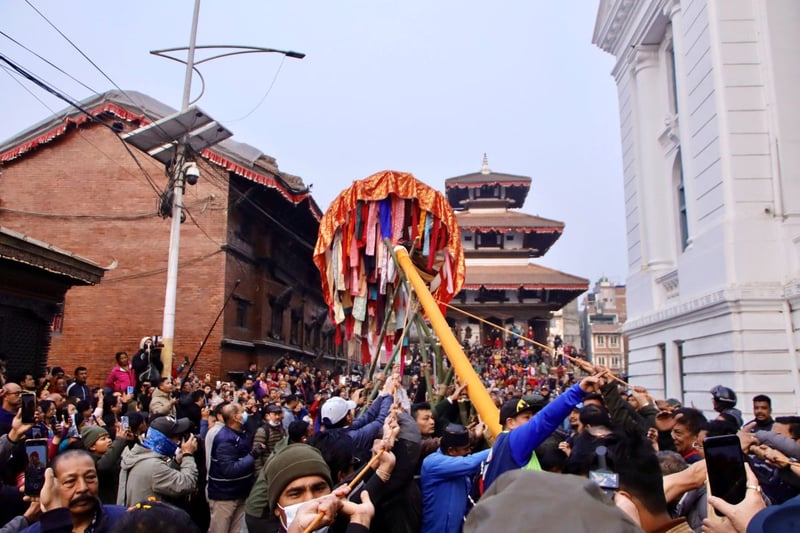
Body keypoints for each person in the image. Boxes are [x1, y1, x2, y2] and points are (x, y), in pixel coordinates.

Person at [482, 375, 601, 491]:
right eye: (527, 417)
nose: (531, 420)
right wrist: (577, 391)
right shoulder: (515, 441)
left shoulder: (501, 442)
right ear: (511, 423)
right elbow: (545, 420)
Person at [20, 449, 127, 533]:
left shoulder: (126, 520)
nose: (83, 488)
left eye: (90, 477)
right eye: (70, 481)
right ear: (53, 486)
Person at [420, 423, 490, 533]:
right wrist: (500, 446)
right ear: (451, 450)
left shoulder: (458, 464)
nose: (469, 452)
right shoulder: (432, 463)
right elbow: (470, 463)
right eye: (465, 449)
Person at [117, 416, 198, 506]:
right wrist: (188, 454)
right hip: (150, 518)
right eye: (177, 436)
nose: (179, 440)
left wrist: (176, 463)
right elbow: (187, 484)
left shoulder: (137, 455)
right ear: (164, 441)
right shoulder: (154, 466)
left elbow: (158, 476)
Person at [207, 403, 261, 533]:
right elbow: (229, 470)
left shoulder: (240, 433)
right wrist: (252, 456)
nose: (245, 414)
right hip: (224, 496)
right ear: (236, 418)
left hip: (239, 491)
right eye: (242, 411)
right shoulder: (225, 439)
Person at [80, 424, 131, 504]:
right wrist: (120, 441)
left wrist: (131, 441)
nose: (109, 440)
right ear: (92, 447)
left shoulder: (114, 457)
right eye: (103, 439)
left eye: (108, 437)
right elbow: (102, 467)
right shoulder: (89, 461)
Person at [253, 403, 287, 472]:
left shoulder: (281, 429)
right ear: (267, 416)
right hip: (268, 467)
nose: (277, 417)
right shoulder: (262, 431)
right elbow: (256, 455)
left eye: (278, 414)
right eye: (274, 414)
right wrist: (259, 473)